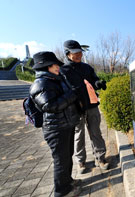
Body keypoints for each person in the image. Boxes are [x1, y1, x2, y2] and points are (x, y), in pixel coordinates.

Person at [29, 51, 82, 197]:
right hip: (56, 129)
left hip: (65, 125)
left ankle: (68, 181)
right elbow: (50, 106)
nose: (57, 66)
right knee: (61, 160)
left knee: (67, 157)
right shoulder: (40, 84)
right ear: (45, 67)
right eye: (54, 64)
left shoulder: (54, 80)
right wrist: (71, 95)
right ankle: (62, 192)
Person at [60, 40, 109, 174]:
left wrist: (98, 83)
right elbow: (65, 90)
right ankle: (80, 161)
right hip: (76, 108)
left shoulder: (87, 67)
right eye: (75, 53)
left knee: (96, 132)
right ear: (67, 54)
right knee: (79, 135)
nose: (79, 54)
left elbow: (94, 79)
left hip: (92, 105)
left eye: (80, 52)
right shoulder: (63, 71)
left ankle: (100, 157)